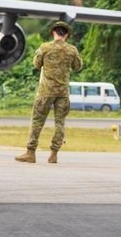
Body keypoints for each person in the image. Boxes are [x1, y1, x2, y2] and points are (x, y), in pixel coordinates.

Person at [15, 21, 83, 164]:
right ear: (67, 35)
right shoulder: (72, 50)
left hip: (45, 92)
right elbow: (78, 67)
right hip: (63, 93)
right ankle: (53, 154)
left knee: (37, 121)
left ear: (53, 32)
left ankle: (31, 153)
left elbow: (36, 64)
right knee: (60, 123)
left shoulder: (45, 48)